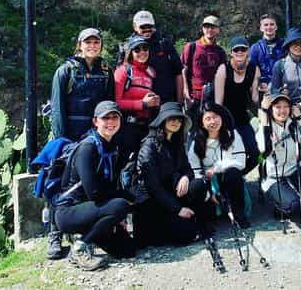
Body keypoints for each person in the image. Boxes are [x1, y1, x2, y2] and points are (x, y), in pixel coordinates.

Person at [47, 27, 114, 260]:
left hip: (95, 136)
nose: (92, 46)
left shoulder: (106, 72)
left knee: (91, 180)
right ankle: (54, 233)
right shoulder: (64, 72)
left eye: (96, 42)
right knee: (57, 181)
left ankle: (85, 229)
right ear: (79, 45)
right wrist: (61, 140)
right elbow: (57, 108)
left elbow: (109, 105)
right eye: (88, 42)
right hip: (69, 137)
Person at [54, 101, 135, 271]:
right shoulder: (88, 148)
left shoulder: (112, 146)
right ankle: (80, 247)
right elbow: (94, 193)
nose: (111, 122)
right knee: (121, 204)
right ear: (95, 121)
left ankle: (84, 236)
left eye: (115, 117)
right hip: (69, 211)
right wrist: (119, 205)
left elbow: (108, 187)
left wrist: (113, 218)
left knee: (126, 250)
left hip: (92, 209)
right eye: (105, 118)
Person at [134, 102, 208, 246]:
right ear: (163, 120)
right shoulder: (149, 146)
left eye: (179, 119)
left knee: (198, 185)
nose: (176, 122)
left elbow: (188, 169)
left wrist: (186, 177)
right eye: (171, 119)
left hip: (172, 193)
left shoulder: (176, 142)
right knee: (185, 235)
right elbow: (153, 186)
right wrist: (177, 209)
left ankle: (189, 220)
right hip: (154, 201)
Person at [256, 92, 301, 225]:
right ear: (271, 109)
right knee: (292, 207)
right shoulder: (265, 127)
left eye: (286, 106)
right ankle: (281, 205)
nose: (282, 110)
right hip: (273, 177)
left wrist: (300, 119)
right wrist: (266, 126)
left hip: (292, 171)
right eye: (277, 107)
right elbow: (264, 150)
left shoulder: (294, 125)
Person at [188, 103, 250, 228]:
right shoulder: (197, 142)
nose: (213, 121)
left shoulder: (232, 135)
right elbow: (194, 170)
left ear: (222, 117)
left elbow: (241, 162)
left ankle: (239, 213)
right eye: (208, 118)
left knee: (233, 173)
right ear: (202, 123)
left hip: (229, 177)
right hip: (210, 181)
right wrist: (209, 193)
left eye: (215, 116)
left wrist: (216, 168)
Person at [214, 36, 260, 174]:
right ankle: (228, 182)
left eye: (243, 49)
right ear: (231, 52)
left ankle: (239, 177)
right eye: (236, 50)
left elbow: (255, 98)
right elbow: (218, 102)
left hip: (243, 119)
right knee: (228, 153)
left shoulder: (254, 69)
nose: (240, 52)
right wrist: (220, 126)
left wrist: (264, 91)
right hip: (226, 119)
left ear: (248, 51)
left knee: (254, 153)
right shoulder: (223, 69)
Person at [114, 34, 159, 159]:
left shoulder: (151, 73)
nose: (142, 52)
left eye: (145, 48)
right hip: (127, 128)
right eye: (137, 49)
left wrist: (155, 102)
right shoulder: (123, 71)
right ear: (130, 52)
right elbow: (116, 103)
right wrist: (143, 104)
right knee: (127, 165)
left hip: (147, 127)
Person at [181, 14, 227, 133]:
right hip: (193, 98)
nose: (209, 30)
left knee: (210, 133)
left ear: (218, 29)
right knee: (192, 133)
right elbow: (183, 71)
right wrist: (186, 95)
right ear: (202, 28)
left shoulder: (220, 52)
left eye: (213, 27)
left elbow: (222, 78)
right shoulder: (191, 47)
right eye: (206, 27)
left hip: (212, 99)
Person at [129, 10, 183, 104]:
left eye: (149, 26)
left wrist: (179, 102)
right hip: (139, 105)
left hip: (166, 102)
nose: (147, 30)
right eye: (143, 27)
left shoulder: (165, 44)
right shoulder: (127, 48)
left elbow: (178, 73)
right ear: (135, 27)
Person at [249, 13, 284, 95]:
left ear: (276, 27)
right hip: (263, 90)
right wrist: (259, 83)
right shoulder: (255, 47)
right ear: (261, 28)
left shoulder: (284, 45)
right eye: (266, 25)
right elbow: (252, 69)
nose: (269, 27)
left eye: (272, 24)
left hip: (281, 88)